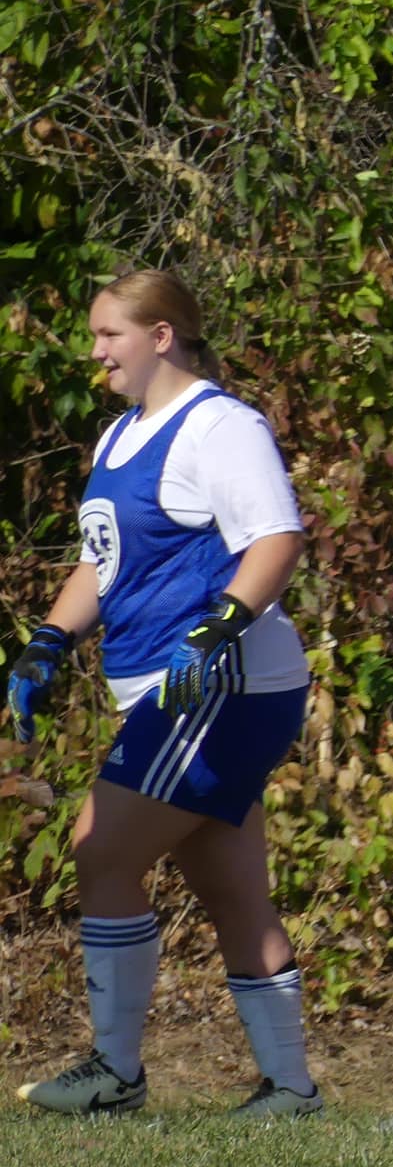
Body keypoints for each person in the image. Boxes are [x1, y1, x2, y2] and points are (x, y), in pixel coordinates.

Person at [10, 269, 319, 1117]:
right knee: (230, 887)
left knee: (100, 847)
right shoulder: (120, 439)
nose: (96, 350)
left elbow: (277, 537)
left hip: (217, 686)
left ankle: (116, 1072)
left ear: (161, 335)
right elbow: (102, 563)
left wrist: (218, 626)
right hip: (159, 687)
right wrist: (48, 640)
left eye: (110, 334)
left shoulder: (219, 428)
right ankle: (290, 1091)